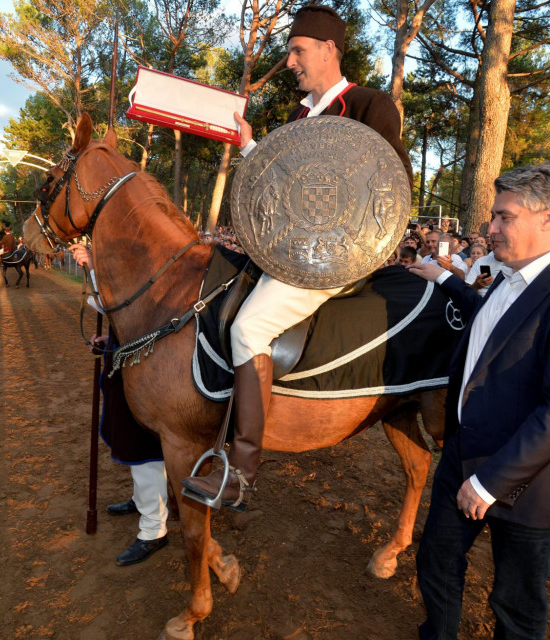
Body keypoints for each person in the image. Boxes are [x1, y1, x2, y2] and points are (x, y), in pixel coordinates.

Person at [182, 3, 412, 511]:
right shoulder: (297, 117)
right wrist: (249, 146)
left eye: (297, 51)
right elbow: (283, 186)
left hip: (336, 257)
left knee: (248, 330)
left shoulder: (373, 105)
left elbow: (389, 189)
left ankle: (241, 469)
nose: (289, 62)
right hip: (289, 253)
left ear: (329, 50)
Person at [408, 162, 550, 639]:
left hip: (526, 483)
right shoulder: (510, 278)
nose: (490, 229)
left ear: (547, 219)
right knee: (435, 560)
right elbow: (491, 324)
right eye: (493, 216)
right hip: (462, 454)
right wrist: (443, 278)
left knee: (516, 603)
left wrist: (489, 483)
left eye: (504, 217)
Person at [68, 242, 169, 566]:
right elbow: (119, 314)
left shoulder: (150, 258)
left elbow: (120, 301)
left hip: (144, 371)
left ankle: (155, 530)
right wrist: (109, 340)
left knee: (143, 448)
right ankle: (144, 502)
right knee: (134, 447)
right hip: (126, 358)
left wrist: (95, 265)